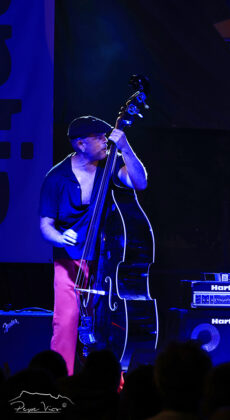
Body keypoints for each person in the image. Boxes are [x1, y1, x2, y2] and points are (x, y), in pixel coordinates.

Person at [39, 115, 148, 375]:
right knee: (66, 323)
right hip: (69, 262)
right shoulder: (56, 177)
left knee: (106, 324)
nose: (105, 140)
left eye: (105, 135)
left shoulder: (110, 163)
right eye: (98, 137)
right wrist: (60, 238)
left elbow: (140, 182)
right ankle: (61, 381)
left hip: (105, 262)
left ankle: (109, 380)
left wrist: (126, 148)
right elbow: (45, 226)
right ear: (80, 144)